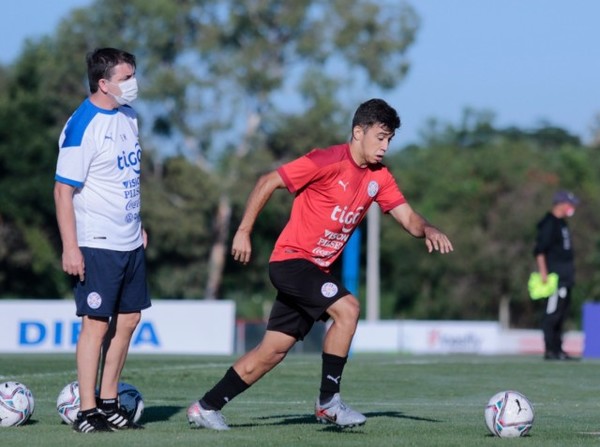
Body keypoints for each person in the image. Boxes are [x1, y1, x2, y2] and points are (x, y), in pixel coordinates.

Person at [187, 98, 454, 431]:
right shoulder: (326, 160)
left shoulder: (379, 178)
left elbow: (409, 217)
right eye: (380, 137)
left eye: (390, 140)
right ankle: (329, 402)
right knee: (348, 308)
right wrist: (243, 231)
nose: (385, 146)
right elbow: (268, 181)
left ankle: (206, 406)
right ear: (359, 131)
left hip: (314, 272)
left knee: (271, 351)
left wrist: (427, 228)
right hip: (291, 262)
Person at [54, 47, 151, 433]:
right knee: (95, 323)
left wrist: (137, 222)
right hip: (96, 241)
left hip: (130, 240)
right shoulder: (82, 125)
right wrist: (71, 246)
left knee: (129, 318)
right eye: (126, 77)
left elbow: (126, 179)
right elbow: (63, 192)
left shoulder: (129, 117)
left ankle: (110, 400)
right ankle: (87, 409)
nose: (133, 83)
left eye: (133, 75)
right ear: (103, 83)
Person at [533, 189, 579, 361]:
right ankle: (550, 350)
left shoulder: (562, 223)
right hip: (555, 278)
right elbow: (539, 251)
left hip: (566, 277)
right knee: (552, 314)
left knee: (561, 314)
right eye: (570, 204)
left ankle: (558, 349)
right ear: (561, 204)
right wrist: (544, 273)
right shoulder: (549, 223)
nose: (572, 207)